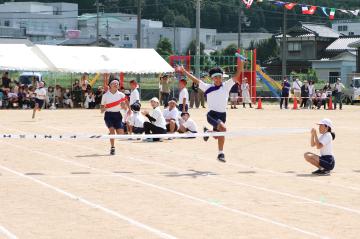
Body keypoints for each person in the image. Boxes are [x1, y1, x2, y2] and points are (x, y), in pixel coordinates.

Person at [178, 66, 241, 162]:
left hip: (223, 115)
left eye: (220, 77)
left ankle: (207, 132)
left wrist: (242, 65)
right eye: (215, 77)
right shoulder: (208, 87)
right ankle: (221, 154)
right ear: (212, 78)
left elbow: (236, 76)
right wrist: (185, 71)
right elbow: (195, 80)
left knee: (217, 136)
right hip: (212, 115)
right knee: (223, 129)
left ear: (222, 77)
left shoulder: (226, 86)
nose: (218, 79)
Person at [100, 79, 126, 155]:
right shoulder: (105, 95)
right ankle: (112, 147)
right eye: (114, 84)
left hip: (118, 115)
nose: (116, 85)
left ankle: (111, 135)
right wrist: (103, 109)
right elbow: (101, 109)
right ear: (110, 85)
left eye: (117, 84)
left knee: (121, 134)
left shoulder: (121, 95)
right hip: (109, 115)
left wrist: (124, 106)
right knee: (112, 131)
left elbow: (124, 107)